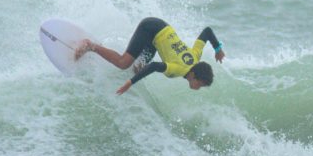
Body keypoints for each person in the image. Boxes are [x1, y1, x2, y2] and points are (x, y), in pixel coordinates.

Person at [75, 17, 225, 95]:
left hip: (161, 30)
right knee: (123, 63)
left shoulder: (195, 56)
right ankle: (91, 46)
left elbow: (206, 31)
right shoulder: (179, 69)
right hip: (150, 29)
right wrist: (130, 83)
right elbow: (154, 66)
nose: (199, 88)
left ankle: (102, 51)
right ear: (193, 75)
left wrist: (218, 49)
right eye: (200, 84)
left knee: (137, 69)